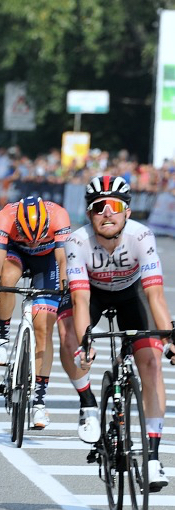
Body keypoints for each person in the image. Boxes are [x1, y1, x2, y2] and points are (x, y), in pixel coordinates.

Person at [57, 175, 172, 491]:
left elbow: (155, 296)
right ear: (89, 213)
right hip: (91, 294)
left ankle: (152, 458)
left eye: (115, 206)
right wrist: (84, 343)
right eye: (98, 207)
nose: (107, 213)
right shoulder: (78, 242)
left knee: (151, 363)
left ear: (128, 213)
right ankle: (88, 403)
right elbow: (80, 300)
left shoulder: (142, 236)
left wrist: (169, 338)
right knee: (68, 335)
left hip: (129, 294)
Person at [0, 196, 71, 429]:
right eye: (27, 237)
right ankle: (2, 338)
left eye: (38, 236)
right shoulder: (5, 217)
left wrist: (64, 284)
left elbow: (63, 258)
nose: (32, 242)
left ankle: (40, 402)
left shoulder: (59, 215)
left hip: (48, 260)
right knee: (7, 279)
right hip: (15, 255)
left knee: (43, 328)